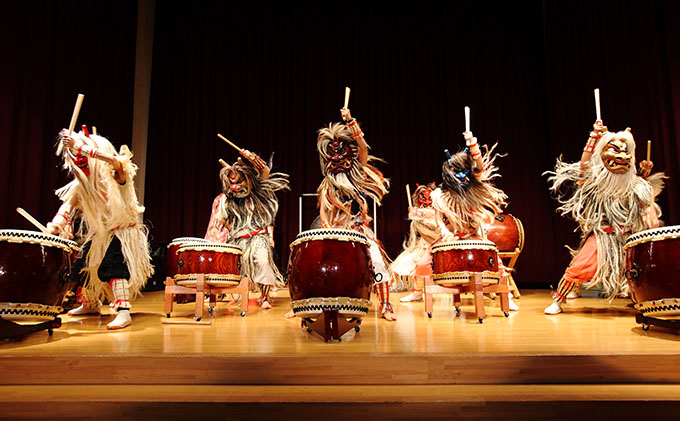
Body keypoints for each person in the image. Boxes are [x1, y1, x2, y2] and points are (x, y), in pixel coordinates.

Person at [544, 121, 664, 315]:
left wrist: (651, 217)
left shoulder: (636, 185)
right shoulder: (596, 183)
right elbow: (583, 167)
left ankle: (643, 299)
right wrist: (593, 138)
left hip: (628, 237)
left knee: (639, 270)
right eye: (614, 150)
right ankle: (559, 299)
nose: (620, 156)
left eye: (625, 152)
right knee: (581, 266)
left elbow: (646, 205)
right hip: (603, 235)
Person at [47, 127, 153, 330]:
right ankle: (90, 304)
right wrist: (57, 224)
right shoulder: (83, 185)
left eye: (83, 157)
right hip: (101, 234)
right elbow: (68, 206)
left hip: (123, 231)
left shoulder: (116, 174)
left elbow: (116, 161)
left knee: (115, 267)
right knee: (83, 268)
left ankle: (123, 312)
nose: (81, 162)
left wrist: (81, 147)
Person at [316, 107, 396, 321]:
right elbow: (324, 213)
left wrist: (351, 122)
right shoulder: (327, 186)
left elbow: (362, 147)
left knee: (377, 261)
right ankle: (316, 306)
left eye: (342, 151)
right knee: (321, 267)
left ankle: (386, 305)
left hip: (359, 230)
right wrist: (328, 231)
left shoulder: (358, 173)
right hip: (336, 233)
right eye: (331, 153)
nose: (337, 157)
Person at [430, 130, 518, 310]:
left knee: (496, 264)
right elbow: (439, 220)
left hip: (473, 234)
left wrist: (473, 146)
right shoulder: (440, 195)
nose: (461, 176)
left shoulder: (472, 186)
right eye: (456, 171)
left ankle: (506, 295)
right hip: (452, 237)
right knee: (426, 261)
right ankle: (419, 291)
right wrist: (445, 232)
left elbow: (479, 166)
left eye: (464, 171)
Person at [207, 148, 289, 309]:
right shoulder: (227, 201)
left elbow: (265, 170)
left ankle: (265, 296)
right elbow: (221, 220)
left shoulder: (258, 193)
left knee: (263, 261)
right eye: (232, 183)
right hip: (237, 239)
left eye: (239, 182)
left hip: (258, 238)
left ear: (248, 180)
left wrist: (251, 157)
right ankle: (238, 297)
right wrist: (221, 229)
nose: (236, 187)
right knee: (236, 269)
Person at [392, 183, 438, 302]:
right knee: (406, 263)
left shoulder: (437, 211)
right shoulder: (418, 219)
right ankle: (417, 292)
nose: (427, 202)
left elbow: (431, 215)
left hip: (439, 243)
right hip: (425, 245)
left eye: (429, 199)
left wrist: (415, 211)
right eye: (423, 199)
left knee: (423, 264)